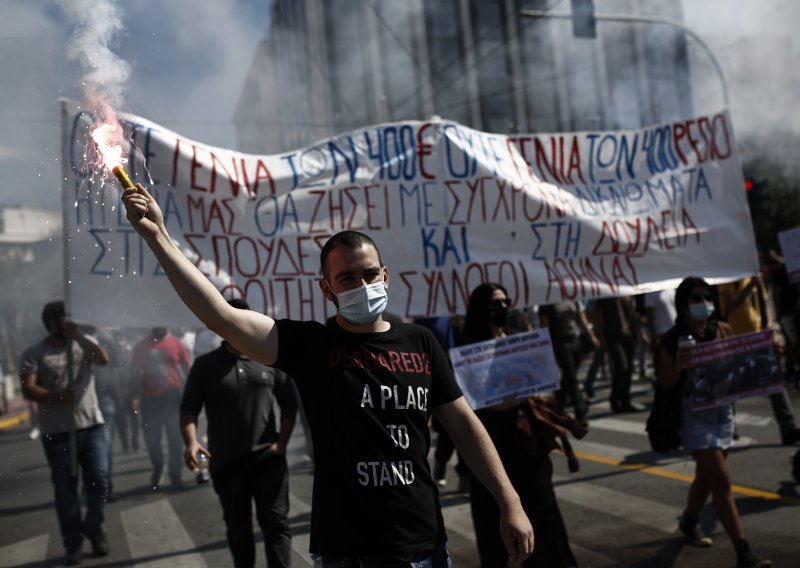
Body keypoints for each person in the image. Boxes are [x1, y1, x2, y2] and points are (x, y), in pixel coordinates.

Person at [122, 184, 534, 566]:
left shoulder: (421, 342)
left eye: (370, 274)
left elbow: (463, 424)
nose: (363, 284)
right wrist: (158, 237)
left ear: (385, 276)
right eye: (347, 279)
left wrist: (509, 502)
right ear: (327, 289)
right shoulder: (311, 347)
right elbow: (221, 316)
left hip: (424, 543)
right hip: (347, 549)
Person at [462, 284, 578, 568]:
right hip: (489, 445)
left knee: (543, 513)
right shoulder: (466, 350)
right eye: (495, 304)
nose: (503, 308)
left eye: (506, 302)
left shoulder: (518, 341)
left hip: (527, 443)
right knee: (493, 518)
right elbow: (467, 401)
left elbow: (545, 380)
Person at [659, 277, 771, 568]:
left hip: (722, 412)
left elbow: (738, 369)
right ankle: (743, 552)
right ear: (684, 304)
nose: (703, 303)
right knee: (720, 477)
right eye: (696, 298)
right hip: (693, 414)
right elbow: (666, 383)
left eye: (706, 297)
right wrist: (678, 365)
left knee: (707, 477)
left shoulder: (721, 329)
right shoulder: (673, 339)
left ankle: (689, 520)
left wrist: (764, 356)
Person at [181, 298, 298, 568]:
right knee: (238, 530)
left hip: (268, 460)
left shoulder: (270, 359)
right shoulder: (205, 365)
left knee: (276, 526)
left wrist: (281, 443)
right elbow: (188, 409)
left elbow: (290, 404)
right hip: (227, 463)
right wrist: (191, 442)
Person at [19, 301, 111, 566]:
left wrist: (79, 337)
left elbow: (102, 359)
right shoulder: (34, 353)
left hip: (91, 425)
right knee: (66, 491)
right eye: (64, 320)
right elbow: (28, 389)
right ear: (51, 323)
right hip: (58, 433)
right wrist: (58, 397)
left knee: (99, 481)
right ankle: (73, 542)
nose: (70, 324)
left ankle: (94, 527)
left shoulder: (84, 342)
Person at [717, 275, 800, 445]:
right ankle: (729, 427)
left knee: (774, 383)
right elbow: (730, 306)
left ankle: (788, 428)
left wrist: (769, 329)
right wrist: (749, 287)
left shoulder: (755, 274)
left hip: (759, 338)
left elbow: (765, 305)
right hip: (736, 339)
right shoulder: (727, 279)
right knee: (732, 385)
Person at [130, 326, 191, 490]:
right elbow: (135, 371)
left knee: (175, 438)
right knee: (152, 439)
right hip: (150, 398)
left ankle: (175, 473)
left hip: (172, 397)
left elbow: (187, 369)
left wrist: (191, 392)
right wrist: (134, 395)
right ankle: (158, 465)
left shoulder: (176, 344)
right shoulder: (142, 345)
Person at [538, 301, 599, 425]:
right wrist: (545, 347)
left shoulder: (572, 300)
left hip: (575, 342)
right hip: (560, 344)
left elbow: (581, 319)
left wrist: (591, 336)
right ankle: (581, 411)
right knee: (571, 377)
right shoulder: (546, 303)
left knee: (568, 377)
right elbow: (544, 326)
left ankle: (558, 407)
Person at [592, 296, 645, 413]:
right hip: (613, 335)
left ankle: (626, 400)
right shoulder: (605, 296)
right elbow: (598, 316)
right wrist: (601, 336)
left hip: (628, 335)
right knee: (622, 367)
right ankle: (615, 400)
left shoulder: (627, 295)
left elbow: (632, 314)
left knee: (629, 368)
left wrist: (639, 332)